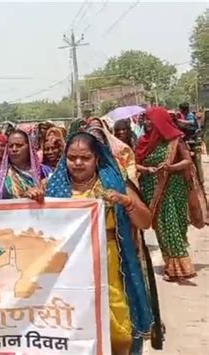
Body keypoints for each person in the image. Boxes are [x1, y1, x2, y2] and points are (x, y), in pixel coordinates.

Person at [38, 133, 154, 354]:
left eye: (85, 157)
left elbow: (145, 222)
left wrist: (127, 203)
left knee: (118, 328)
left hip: (110, 264)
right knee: (75, 325)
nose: (78, 163)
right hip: (70, 269)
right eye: (72, 158)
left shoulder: (116, 185)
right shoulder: (51, 187)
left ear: (97, 158)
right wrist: (32, 200)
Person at [136, 107, 196, 282]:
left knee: (174, 224)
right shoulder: (142, 142)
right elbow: (135, 163)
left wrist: (171, 168)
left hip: (173, 188)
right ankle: (172, 265)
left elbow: (187, 161)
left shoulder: (175, 141)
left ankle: (179, 265)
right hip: (151, 189)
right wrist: (147, 169)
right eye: (145, 120)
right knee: (162, 227)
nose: (146, 123)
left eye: (149, 120)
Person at [0, 129, 52, 200]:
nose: (14, 149)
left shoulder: (45, 172)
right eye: (11, 146)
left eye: (19, 145)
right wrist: (23, 199)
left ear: (29, 148)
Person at [87, 117, 138, 187]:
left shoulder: (120, 147)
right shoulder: (83, 147)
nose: (95, 130)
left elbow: (129, 167)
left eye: (98, 126)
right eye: (92, 127)